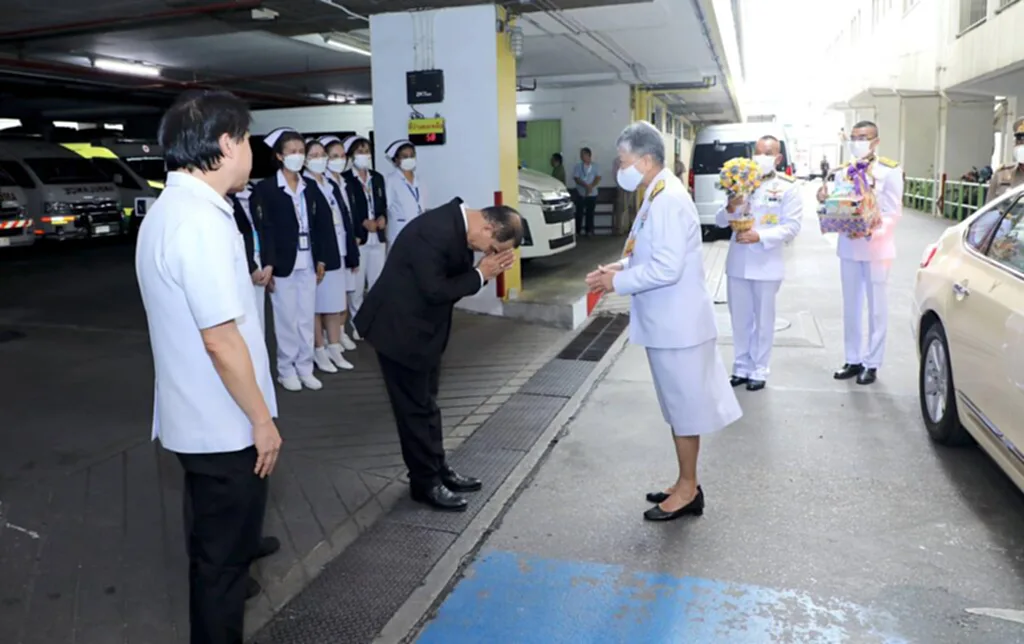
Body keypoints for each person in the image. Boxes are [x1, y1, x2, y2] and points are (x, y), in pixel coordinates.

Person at [135, 89, 282, 644]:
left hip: (194, 420)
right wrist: (262, 421)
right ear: (225, 145)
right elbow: (220, 340)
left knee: (212, 545)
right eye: (246, 140)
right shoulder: (200, 223)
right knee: (222, 572)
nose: (251, 152)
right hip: (225, 425)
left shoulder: (170, 211)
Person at [586, 121, 741, 522]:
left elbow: (666, 268)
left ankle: (689, 490)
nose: (620, 168)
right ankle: (684, 480)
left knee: (685, 409)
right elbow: (645, 253)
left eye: (623, 161)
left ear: (645, 159)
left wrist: (616, 282)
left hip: (679, 328)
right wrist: (617, 267)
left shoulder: (668, 198)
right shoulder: (657, 193)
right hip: (669, 324)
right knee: (677, 407)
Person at [354, 198, 523, 511]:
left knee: (427, 405)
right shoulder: (433, 232)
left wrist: (481, 271)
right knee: (414, 410)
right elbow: (435, 290)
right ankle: (425, 483)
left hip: (422, 332)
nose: (490, 254)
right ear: (487, 227)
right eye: (494, 247)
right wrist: (481, 274)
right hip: (398, 332)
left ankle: (438, 468)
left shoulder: (458, 227)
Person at [251, 127, 339, 392]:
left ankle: (305, 366)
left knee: (304, 316)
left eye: (301, 152)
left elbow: (323, 226)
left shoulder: (310, 187)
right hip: (282, 262)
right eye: (292, 152)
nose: (298, 157)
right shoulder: (266, 190)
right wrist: (268, 262)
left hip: (308, 259)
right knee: (286, 318)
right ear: (279, 156)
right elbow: (263, 229)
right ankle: (286, 368)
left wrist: (322, 259)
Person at [816, 120, 903, 385]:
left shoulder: (889, 171)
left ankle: (872, 363)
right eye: (854, 137)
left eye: (863, 137)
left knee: (877, 308)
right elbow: (841, 204)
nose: (858, 141)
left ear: (875, 140)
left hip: (876, 248)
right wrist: (825, 201)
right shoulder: (843, 172)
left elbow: (893, 212)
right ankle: (852, 358)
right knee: (851, 306)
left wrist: (870, 231)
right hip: (849, 246)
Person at [716, 135, 802, 391]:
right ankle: (741, 366)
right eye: (757, 152)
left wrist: (760, 236)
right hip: (739, 263)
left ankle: (760, 370)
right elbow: (720, 221)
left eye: (768, 153)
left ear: (777, 158)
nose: (761, 157)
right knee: (739, 319)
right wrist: (732, 204)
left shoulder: (787, 187)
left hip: (766, 263)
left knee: (764, 321)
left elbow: (792, 227)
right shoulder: (739, 182)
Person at [304, 138, 357, 373]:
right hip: (320, 255)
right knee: (317, 307)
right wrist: (319, 258)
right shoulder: (306, 186)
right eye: (313, 155)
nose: (320, 159)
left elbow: (344, 218)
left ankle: (334, 347)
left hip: (339, 251)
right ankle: (320, 350)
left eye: (321, 154)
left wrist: (352, 252)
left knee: (335, 304)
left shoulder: (330, 184)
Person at [341, 135, 388, 340]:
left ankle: (376, 321)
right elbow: (347, 209)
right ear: (351, 156)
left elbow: (382, 203)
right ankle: (357, 323)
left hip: (377, 238)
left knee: (377, 282)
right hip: (359, 240)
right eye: (360, 151)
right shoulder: (345, 179)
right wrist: (361, 222)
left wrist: (383, 217)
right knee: (357, 286)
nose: (365, 155)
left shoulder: (377, 178)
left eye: (367, 151)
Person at [322, 135, 359, 351]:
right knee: (331, 298)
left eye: (342, 155)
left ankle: (341, 330)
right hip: (331, 249)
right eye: (334, 156)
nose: (339, 160)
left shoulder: (343, 182)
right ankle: (330, 337)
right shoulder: (325, 183)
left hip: (346, 245)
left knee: (346, 291)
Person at [229, 181, 272, 331]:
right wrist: (251, 267)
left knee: (259, 315)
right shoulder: (224, 196)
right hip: (240, 265)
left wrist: (269, 264)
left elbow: (266, 228)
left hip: (260, 260)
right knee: (243, 320)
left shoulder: (255, 192)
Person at [384, 139, 426, 247]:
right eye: (404, 156)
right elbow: (386, 206)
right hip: (399, 231)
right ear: (396, 160)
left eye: (412, 155)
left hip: (418, 230)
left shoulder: (418, 179)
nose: (409, 158)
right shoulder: (391, 180)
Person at [988, 117, 1024, 200]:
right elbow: (989, 209)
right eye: (1020, 140)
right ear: (1015, 144)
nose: (1022, 145)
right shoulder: (1002, 174)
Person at [573, 147, 601, 235]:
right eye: (581, 155)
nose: (581, 156)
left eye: (583, 154)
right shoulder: (578, 166)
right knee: (579, 213)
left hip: (592, 193)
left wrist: (591, 186)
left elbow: (598, 177)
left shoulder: (595, 166)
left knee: (590, 213)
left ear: (588, 155)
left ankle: (589, 231)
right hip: (581, 193)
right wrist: (586, 186)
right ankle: (577, 231)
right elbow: (576, 178)